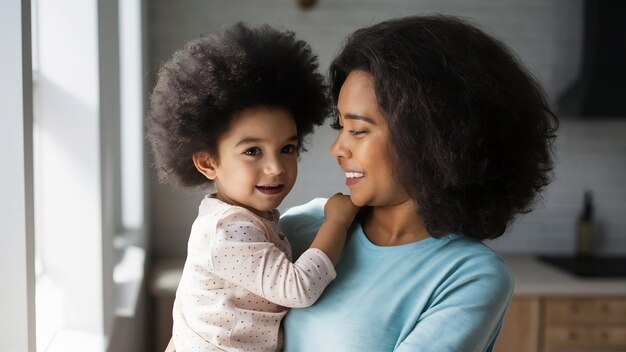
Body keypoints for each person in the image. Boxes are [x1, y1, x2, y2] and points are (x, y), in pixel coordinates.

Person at [279, 15, 558, 351]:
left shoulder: (467, 276)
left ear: (432, 138)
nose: (337, 149)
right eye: (340, 127)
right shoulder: (302, 226)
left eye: (358, 130)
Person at [147, 23, 358, 351]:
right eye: (252, 151)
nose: (275, 167)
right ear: (207, 162)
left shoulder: (241, 217)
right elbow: (299, 288)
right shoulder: (228, 231)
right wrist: (337, 223)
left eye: (287, 148)